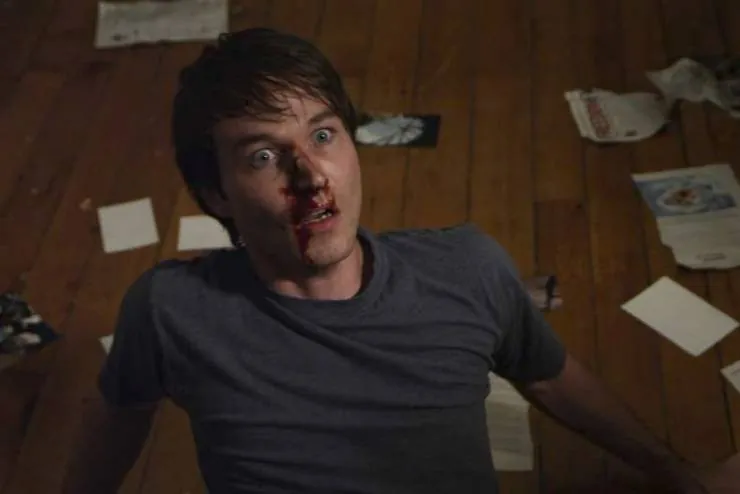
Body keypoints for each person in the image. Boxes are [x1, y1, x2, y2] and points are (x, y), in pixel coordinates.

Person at [62, 28, 735, 494]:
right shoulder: (170, 311)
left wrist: (684, 478)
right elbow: (119, 416)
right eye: (263, 155)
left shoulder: (467, 269)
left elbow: (550, 376)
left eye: (324, 134)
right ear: (216, 194)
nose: (310, 175)